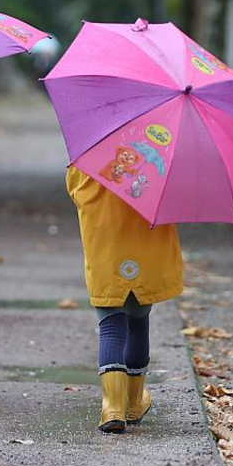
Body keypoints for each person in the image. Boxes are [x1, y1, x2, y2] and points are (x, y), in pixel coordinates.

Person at [66, 166, 183, 433]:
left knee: (111, 325)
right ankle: (133, 403)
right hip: (147, 248)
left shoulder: (87, 162)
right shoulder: (160, 162)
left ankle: (113, 408)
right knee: (139, 322)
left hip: (106, 251)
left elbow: (75, 190)